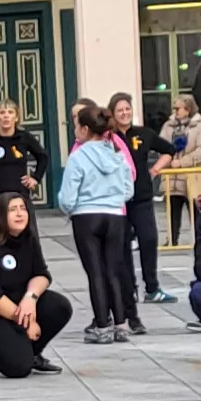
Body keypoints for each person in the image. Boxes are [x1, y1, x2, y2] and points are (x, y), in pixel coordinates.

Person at [0, 192, 71, 377]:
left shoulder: (27, 238)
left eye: (23, 209)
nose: (20, 214)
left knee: (59, 306)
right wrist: (27, 323)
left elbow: (41, 274)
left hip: (17, 303)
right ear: (0, 215)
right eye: (12, 210)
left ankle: (32, 353)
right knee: (18, 368)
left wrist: (30, 298)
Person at [60, 101, 137, 344]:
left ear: (84, 129)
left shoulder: (78, 156)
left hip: (86, 216)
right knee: (113, 270)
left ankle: (102, 325)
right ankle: (121, 324)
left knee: (95, 272)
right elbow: (128, 189)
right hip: (115, 215)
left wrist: (71, 208)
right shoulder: (116, 152)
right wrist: (113, 200)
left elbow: (67, 196)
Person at [113, 91, 176, 303]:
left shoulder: (143, 133)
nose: (124, 113)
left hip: (141, 197)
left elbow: (168, 150)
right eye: (120, 110)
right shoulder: (108, 137)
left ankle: (152, 287)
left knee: (148, 239)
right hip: (118, 201)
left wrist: (155, 170)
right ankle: (128, 289)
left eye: (127, 109)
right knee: (122, 245)